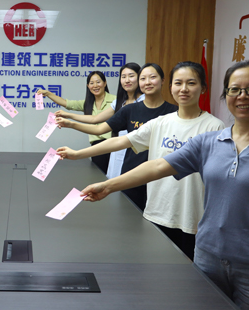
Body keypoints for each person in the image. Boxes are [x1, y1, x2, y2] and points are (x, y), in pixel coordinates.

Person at [80, 60, 249, 310]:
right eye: (234, 89)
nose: (242, 96)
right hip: (207, 259)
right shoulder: (208, 142)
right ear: (226, 95)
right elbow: (158, 166)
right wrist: (108, 186)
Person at [58, 62, 224, 259]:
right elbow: (120, 141)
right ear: (171, 86)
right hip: (157, 212)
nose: (184, 89)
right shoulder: (160, 123)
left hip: (193, 219)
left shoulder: (215, 127)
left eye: (191, 83)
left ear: (203, 88)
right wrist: (78, 154)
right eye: (178, 83)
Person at [56, 63, 177, 210]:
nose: (147, 82)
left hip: (161, 177)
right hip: (132, 175)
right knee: (129, 215)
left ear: (163, 80)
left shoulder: (173, 113)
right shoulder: (129, 109)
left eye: (152, 77)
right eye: (143, 78)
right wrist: (71, 125)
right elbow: (104, 131)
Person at [55, 63, 144, 178]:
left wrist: (70, 122)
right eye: (123, 77)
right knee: (111, 182)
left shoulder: (145, 102)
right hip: (117, 150)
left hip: (137, 152)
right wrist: (69, 121)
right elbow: (96, 120)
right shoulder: (119, 103)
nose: (127, 80)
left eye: (131, 76)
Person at [37, 71, 117, 174]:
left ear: (105, 83)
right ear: (88, 86)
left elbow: (95, 119)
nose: (95, 86)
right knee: (99, 176)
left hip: (113, 144)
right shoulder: (87, 103)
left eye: (98, 82)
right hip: (96, 147)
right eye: (91, 83)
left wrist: (69, 117)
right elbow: (67, 103)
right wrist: (48, 93)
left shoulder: (116, 101)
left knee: (115, 176)